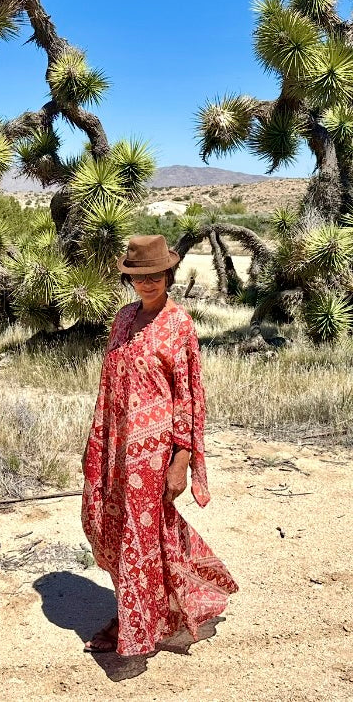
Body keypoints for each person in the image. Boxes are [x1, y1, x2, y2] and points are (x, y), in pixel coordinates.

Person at [81, 234, 238, 655]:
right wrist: (96, 442)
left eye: (155, 275)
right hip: (115, 444)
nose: (147, 283)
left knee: (140, 534)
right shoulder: (123, 318)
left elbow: (188, 396)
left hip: (153, 453)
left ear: (168, 275)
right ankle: (149, 609)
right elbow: (108, 385)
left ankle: (134, 624)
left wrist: (181, 460)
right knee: (107, 526)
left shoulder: (178, 324)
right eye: (139, 277)